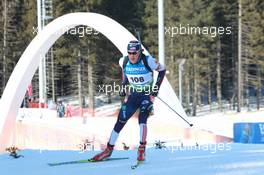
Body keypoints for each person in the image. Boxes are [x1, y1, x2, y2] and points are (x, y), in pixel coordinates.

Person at [91, 40, 166, 162]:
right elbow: (125, 73)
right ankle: (108, 150)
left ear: (139, 52)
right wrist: (123, 86)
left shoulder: (148, 61)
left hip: (146, 95)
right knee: (120, 120)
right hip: (133, 95)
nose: (132, 56)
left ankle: (141, 149)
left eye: (134, 53)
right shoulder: (123, 61)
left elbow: (162, 70)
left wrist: (156, 89)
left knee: (142, 119)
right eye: (129, 53)